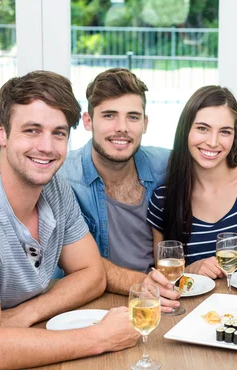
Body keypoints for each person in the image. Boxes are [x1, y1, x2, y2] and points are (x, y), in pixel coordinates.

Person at [0, 71, 139, 370]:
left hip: (32, 366)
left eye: (58, 133)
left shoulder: (54, 189)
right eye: (32, 130)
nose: (46, 147)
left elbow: (92, 274)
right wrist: (99, 337)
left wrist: (25, 314)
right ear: (1, 132)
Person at [59, 68, 180, 312]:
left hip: (159, 301)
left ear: (145, 124)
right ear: (88, 121)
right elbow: (78, 262)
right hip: (87, 306)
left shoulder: (167, 167)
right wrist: (140, 282)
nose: (122, 127)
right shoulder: (62, 178)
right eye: (109, 116)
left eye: (133, 117)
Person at [147, 86, 237, 278]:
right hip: (195, 307)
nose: (213, 142)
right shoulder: (163, 199)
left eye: (225, 132)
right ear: (186, 130)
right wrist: (191, 271)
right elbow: (163, 279)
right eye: (203, 128)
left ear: (234, 137)